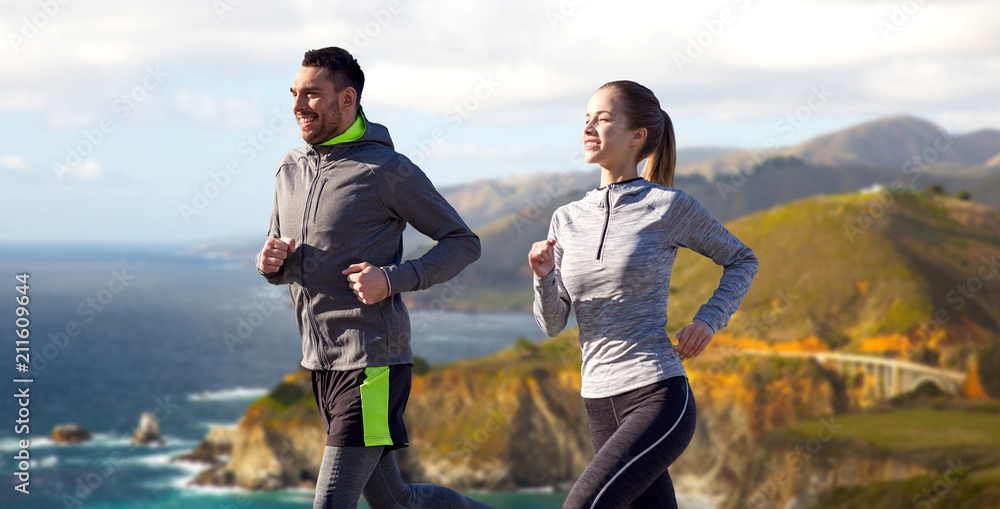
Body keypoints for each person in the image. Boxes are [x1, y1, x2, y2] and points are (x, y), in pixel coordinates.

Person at [256, 46, 491, 509]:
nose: (298, 105)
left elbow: (463, 242)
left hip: (373, 364)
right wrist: (270, 263)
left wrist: (393, 279)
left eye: (312, 94)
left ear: (347, 99)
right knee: (397, 503)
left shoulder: (387, 170)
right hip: (320, 365)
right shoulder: (289, 169)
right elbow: (279, 259)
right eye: (294, 94)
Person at [528, 81, 758, 508]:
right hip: (597, 400)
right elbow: (553, 323)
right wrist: (543, 277)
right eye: (586, 119)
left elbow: (742, 259)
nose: (589, 127)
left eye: (603, 118)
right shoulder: (566, 219)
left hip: (655, 391)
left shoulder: (668, 206)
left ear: (638, 136)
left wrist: (709, 319)